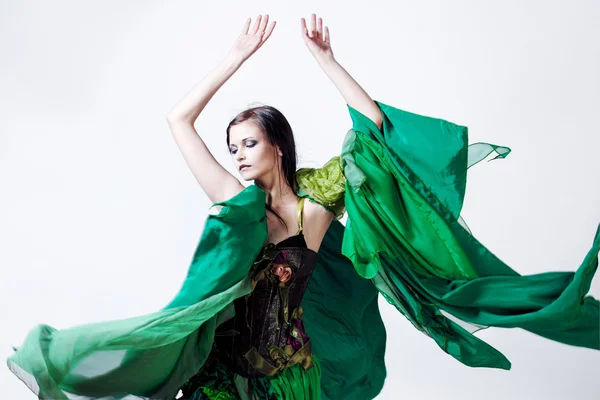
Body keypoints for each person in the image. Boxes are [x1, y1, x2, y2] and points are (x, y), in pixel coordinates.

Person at [7, 13, 600, 400]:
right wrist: (236, 55)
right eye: (232, 146)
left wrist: (325, 59)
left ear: (277, 147)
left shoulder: (317, 205)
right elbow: (176, 119)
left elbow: (374, 129)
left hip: (294, 378)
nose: (238, 156)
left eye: (249, 144)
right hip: (226, 376)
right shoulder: (235, 205)